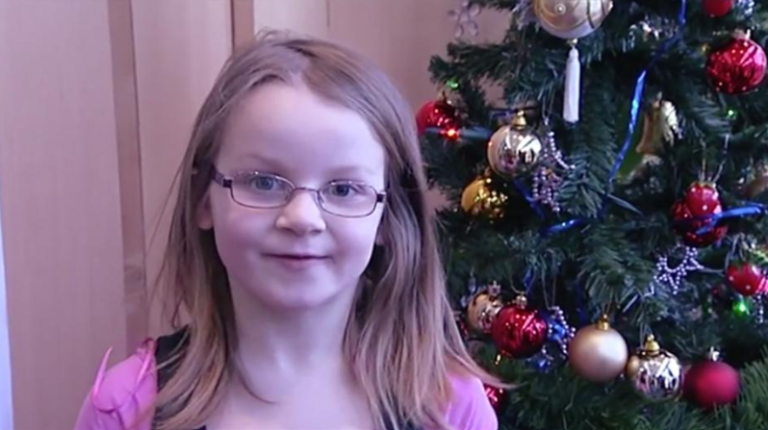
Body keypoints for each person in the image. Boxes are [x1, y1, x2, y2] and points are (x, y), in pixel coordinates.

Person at [73, 31, 501, 430]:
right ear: (204, 199)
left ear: (388, 217)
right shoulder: (127, 405)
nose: (302, 218)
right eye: (263, 182)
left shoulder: (449, 407)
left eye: (344, 189)